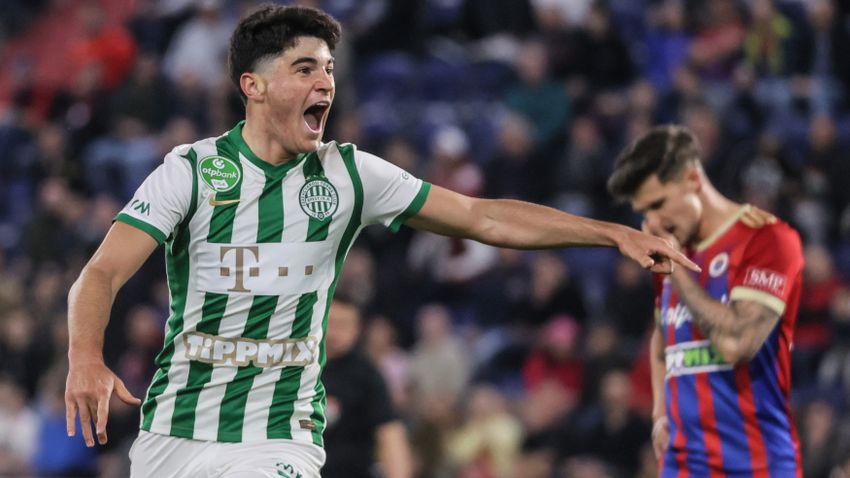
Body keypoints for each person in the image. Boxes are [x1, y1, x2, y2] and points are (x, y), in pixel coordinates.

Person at [64, 5, 698, 477]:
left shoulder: (349, 175)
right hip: (175, 431)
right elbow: (101, 274)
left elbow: (482, 217)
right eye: (304, 68)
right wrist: (86, 358)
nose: (326, 84)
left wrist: (608, 233)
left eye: (329, 70)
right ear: (251, 86)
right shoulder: (194, 170)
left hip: (279, 432)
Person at [607, 125, 804, 476]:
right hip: (684, 465)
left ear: (693, 180)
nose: (652, 223)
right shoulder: (672, 248)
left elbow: (736, 344)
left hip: (755, 465)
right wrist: (659, 414)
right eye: (644, 211)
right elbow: (661, 338)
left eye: (658, 204)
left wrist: (676, 269)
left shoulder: (767, 240)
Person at [321, 296, 412, 478]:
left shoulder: (367, 377)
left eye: (343, 325)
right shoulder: (299, 371)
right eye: (330, 323)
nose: (334, 333)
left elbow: (391, 435)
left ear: (357, 330)